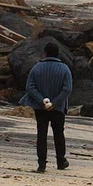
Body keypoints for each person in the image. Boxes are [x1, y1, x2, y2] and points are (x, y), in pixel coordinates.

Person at [22, 41, 73, 173]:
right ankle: (61, 161)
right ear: (58, 54)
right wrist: (55, 103)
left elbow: (30, 87)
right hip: (58, 108)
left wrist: (42, 101)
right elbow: (67, 89)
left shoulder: (37, 67)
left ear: (44, 53)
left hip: (40, 107)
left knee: (42, 135)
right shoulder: (65, 69)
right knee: (59, 134)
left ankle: (42, 164)